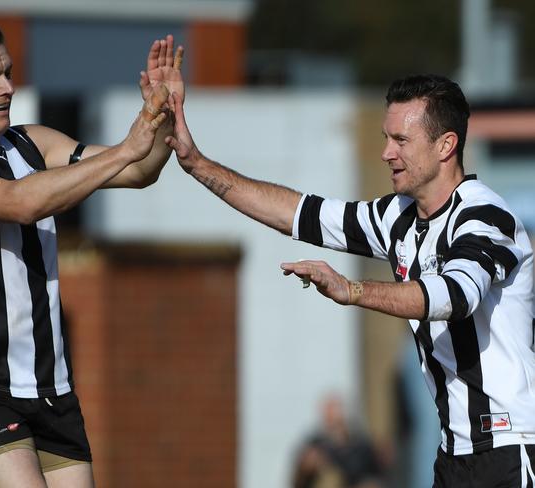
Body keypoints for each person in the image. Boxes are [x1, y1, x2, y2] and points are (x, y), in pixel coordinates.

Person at [164, 74, 535, 487]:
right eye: (385, 137)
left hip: (511, 448)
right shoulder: (399, 216)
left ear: (446, 145)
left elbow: (454, 296)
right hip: (453, 456)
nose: (385, 153)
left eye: (400, 140)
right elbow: (297, 214)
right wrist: (196, 164)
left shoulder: (484, 215)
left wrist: (354, 291)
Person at [0, 16, 183, 488]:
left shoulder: (33, 142)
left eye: (7, 72)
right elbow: (19, 202)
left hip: (51, 388)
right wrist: (126, 149)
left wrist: (162, 113)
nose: (7, 87)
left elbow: (138, 171)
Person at [292, 394, 385, 488]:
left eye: (335, 409)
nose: (332, 415)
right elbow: (298, 480)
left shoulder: (360, 444)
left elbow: (376, 475)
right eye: (328, 410)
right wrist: (306, 467)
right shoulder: (314, 444)